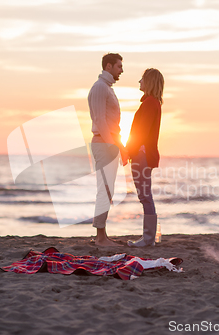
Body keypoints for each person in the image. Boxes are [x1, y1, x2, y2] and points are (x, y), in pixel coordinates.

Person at [88, 53, 128, 246]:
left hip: (109, 143)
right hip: (103, 144)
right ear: (109, 66)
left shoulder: (106, 88)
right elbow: (100, 121)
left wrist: (118, 145)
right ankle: (101, 237)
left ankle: (101, 235)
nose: (122, 70)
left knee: (107, 189)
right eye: (119, 66)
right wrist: (112, 144)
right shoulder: (99, 88)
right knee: (104, 189)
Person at [125, 68, 164, 247]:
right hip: (143, 154)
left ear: (148, 82)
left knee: (145, 196)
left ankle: (148, 239)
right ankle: (148, 238)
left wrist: (128, 151)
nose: (139, 82)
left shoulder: (149, 103)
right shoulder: (152, 102)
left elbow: (141, 133)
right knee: (145, 195)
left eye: (142, 79)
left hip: (141, 154)